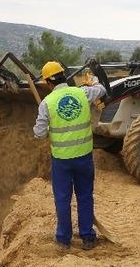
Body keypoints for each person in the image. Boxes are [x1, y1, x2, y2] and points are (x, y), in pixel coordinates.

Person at [33, 60, 107, 250]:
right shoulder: (82, 93)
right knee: (84, 197)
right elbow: (101, 90)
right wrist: (94, 79)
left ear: (48, 83)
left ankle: (64, 239)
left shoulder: (46, 103)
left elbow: (39, 134)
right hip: (84, 157)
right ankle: (88, 238)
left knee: (63, 199)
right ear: (64, 77)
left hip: (62, 162)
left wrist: (49, 127)